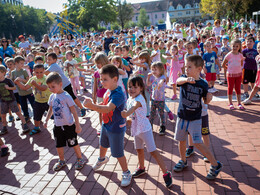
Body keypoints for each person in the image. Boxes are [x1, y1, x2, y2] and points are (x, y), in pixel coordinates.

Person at [174, 55, 222, 180]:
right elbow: (177, 81)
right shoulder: (184, 78)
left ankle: (215, 165)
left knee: (197, 142)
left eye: (189, 67)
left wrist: (209, 98)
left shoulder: (203, 84)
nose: (186, 69)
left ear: (199, 69)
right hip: (182, 116)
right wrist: (185, 80)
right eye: (186, 66)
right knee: (181, 140)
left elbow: (206, 100)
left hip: (195, 118)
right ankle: (183, 160)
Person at [83, 65, 132, 187]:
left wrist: (92, 106)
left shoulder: (118, 94)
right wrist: (93, 104)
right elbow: (103, 104)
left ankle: (126, 172)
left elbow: (107, 108)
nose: (101, 81)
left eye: (105, 79)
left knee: (118, 153)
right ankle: (102, 159)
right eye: (101, 79)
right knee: (103, 144)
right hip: (106, 124)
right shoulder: (108, 90)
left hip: (116, 128)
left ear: (115, 79)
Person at [121, 76, 173, 188]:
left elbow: (133, 109)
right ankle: (141, 168)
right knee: (139, 150)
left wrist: (126, 114)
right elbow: (131, 115)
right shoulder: (130, 99)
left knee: (153, 152)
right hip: (136, 130)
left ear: (141, 88)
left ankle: (166, 173)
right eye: (130, 87)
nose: (131, 89)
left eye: (135, 87)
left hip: (145, 130)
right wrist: (127, 119)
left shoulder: (139, 99)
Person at [43, 72, 85, 171]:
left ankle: (80, 159)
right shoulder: (52, 96)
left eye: (53, 87)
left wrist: (77, 125)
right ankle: (61, 160)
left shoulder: (66, 96)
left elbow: (74, 112)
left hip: (69, 125)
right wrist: (46, 120)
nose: (51, 89)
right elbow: (50, 109)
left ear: (60, 84)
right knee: (58, 144)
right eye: (49, 87)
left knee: (73, 143)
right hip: (57, 125)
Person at [45, 52, 86, 117]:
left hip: (65, 84)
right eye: (47, 59)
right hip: (60, 86)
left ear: (55, 60)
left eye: (49, 59)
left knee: (73, 97)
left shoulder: (54, 65)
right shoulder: (51, 66)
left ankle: (82, 108)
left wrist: (38, 72)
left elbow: (46, 72)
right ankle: (54, 113)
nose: (47, 61)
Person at [15, 64, 52, 135]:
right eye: (37, 72)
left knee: (55, 115)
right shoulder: (32, 79)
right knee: (36, 116)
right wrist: (18, 83)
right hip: (38, 101)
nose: (39, 74)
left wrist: (35, 84)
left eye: (41, 72)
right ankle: (36, 128)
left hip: (48, 101)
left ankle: (61, 125)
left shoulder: (46, 78)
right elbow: (25, 87)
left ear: (44, 71)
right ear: (34, 72)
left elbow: (43, 88)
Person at [0, 65, 30, 135]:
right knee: (3, 114)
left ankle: (25, 124)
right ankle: (4, 127)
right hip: (3, 101)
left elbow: (14, 88)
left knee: (18, 112)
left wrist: (8, 88)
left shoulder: (8, 80)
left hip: (11, 100)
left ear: (3, 73)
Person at [222, 39, 245, 110]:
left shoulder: (240, 55)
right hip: (230, 75)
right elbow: (223, 64)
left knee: (238, 88)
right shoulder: (229, 55)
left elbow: (241, 63)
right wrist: (229, 69)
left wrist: (239, 69)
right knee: (230, 88)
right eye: (233, 46)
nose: (235, 48)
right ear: (231, 46)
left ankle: (239, 103)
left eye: (236, 46)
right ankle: (230, 103)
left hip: (238, 74)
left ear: (239, 47)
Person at [11, 56, 35, 122]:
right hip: (21, 93)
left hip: (28, 91)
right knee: (23, 106)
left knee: (33, 104)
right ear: (16, 63)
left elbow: (28, 81)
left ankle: (36, 115)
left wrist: (21, 79)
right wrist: (15, 81)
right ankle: (26, 116)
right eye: (21, 63)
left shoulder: (24, 71)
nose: (23, 65)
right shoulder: (13, 72)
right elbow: (13, 81)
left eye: (23, 63)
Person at [147, 62, 167, 135]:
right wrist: (148, 77)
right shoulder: (152, 77)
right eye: (152, 69)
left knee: (161, 114)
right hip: (153, 99)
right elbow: (148, 84)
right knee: (152, 114)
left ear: (161, 70)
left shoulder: (162, 77)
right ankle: (150, 126)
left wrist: (160, 83)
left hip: (161, 100)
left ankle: (162, 127)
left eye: (155, 69)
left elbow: (162, 81)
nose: (153, 71)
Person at [92, 52, 109, 135]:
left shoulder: (108, 72)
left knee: (108, 111)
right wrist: (93, 95)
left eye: (99, 63)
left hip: (108, 95)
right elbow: (95, 84)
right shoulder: (96, 73)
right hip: (99, 95)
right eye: (96, 63)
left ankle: (109, 126)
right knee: (100, 111)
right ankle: (101, 126)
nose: (98, 65)